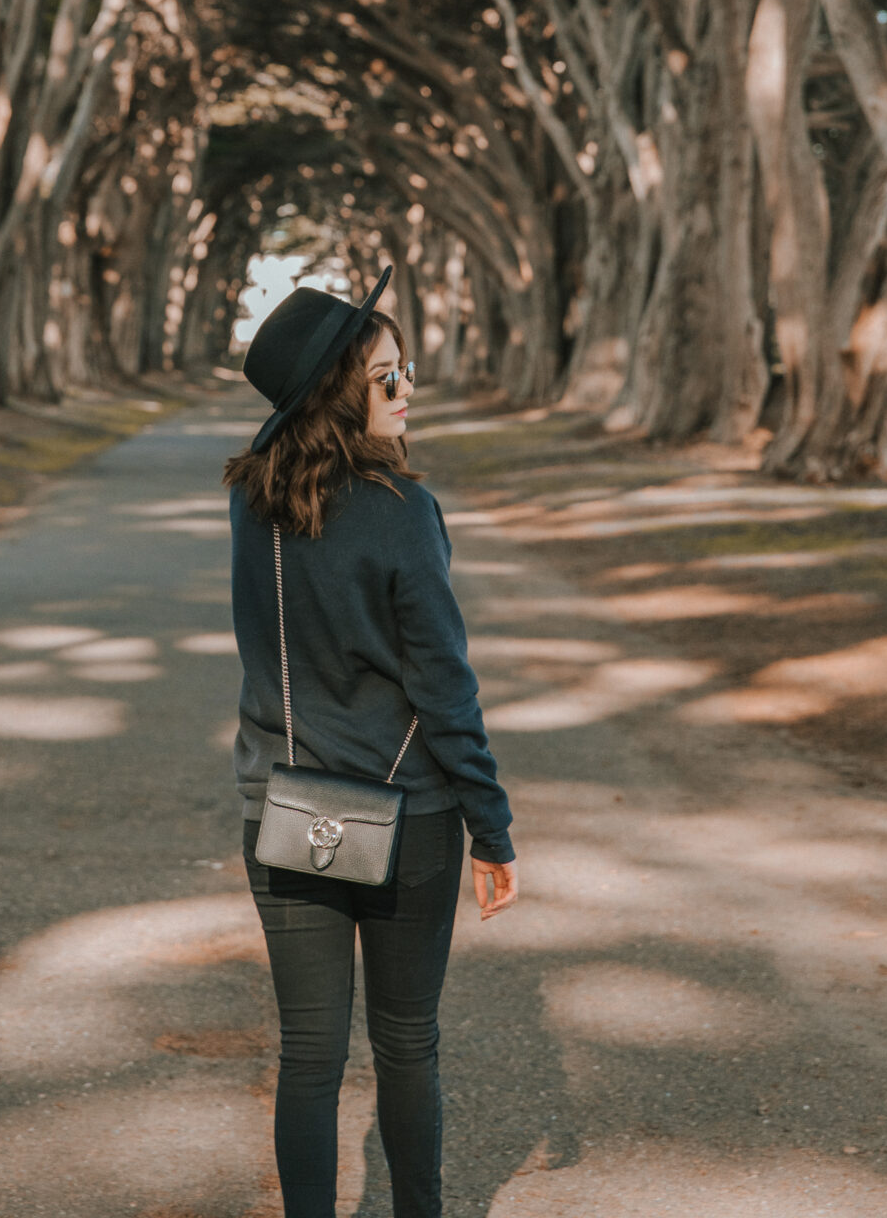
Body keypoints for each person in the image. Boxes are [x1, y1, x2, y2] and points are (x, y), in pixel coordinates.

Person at [225, 265, 517, 1218]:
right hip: (410, 822)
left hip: (285, 813)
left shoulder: (252, 502)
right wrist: (493, 829)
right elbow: (445, 691)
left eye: (406, 369)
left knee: (308, 1054)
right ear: (337, 396)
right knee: (406, 1043)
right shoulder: (403, 514)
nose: (406, 390)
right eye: (387, 375)